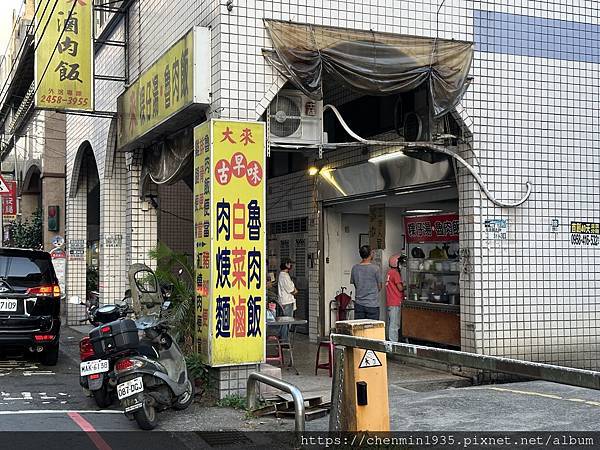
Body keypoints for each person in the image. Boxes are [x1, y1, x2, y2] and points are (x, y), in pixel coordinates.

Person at [350, 245, 382, 320]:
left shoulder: (355, 268)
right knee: (372, 330)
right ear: (370, 254)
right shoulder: (375, 268)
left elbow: (355, 284)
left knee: (359, 329)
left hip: (359, 304)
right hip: (372, 304)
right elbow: (379, 287)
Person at [386, 254, 406, 342]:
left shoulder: (389, 272)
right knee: (394, 325)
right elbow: (400, 288)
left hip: (391, 301)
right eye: (400, 263)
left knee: (392, 323)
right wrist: (406, 286)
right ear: (396, 263)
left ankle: (392, 341)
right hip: (395, 301)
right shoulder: (396, 273)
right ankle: (393, 343)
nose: (402, 265)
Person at [278, 258, 297, 341]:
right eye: (290, 264)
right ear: (286, 264)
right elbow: (291, 290)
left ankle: (282, 341)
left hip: (284, 301)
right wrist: (295, 291)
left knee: (284, 323)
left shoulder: (283, 275)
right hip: (287, 302)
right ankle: (284, 342)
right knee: (286, 323)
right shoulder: (284, 276)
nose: (291, 266)